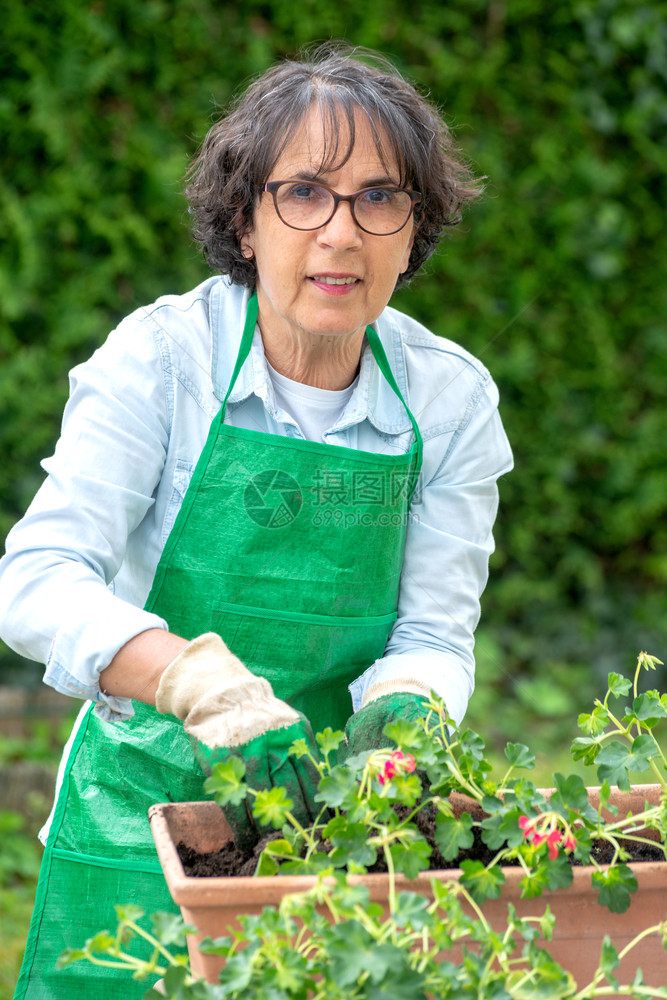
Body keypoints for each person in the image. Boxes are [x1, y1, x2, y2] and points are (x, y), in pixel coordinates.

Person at [0, 44, 513, 999]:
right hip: (142, 806)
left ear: (414, 230)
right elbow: (36, 575)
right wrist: (197, 681)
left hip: (340, 815)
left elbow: (435, 631)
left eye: (379, 198)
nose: (340, 233)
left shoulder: (447, 399)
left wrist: (402, 719)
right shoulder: (163, 361)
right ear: (245, 221)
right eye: (304, 193)